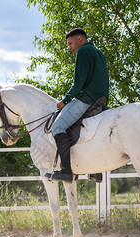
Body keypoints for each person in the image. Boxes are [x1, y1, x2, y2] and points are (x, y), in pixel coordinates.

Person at [45, 28, 109, 183]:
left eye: (70, 43)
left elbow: (78, 83)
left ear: (80, 39)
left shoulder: (83, 52)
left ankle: (66, 171)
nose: (70, 48)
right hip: (102, 98)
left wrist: (65, 101)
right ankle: (95, 170)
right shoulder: (98, 53)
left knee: (58, 126)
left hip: (87, 98)